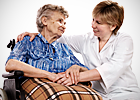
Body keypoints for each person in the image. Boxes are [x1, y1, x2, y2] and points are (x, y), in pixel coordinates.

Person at [17, 0, 140, 100]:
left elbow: (112, 68)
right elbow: (57, 38)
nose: (92, 25)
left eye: (98, 22)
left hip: (125, 93)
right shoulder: (86, 39)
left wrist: (76, 76)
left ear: (113, 26)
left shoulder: (124, 40)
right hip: (98, 94)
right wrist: (37, 34)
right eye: (93, 20)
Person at [5, 4, 103, 100]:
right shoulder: (28, 41)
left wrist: (76, 67)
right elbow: (11, 64)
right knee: (59, 97)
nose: (64, 26)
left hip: (63, 85)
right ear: (45, 21)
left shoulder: (65, 48)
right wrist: (48, 75)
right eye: (60, 21)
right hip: (36, 81)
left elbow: (86, 71)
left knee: (96, 97)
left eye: (65, 23)